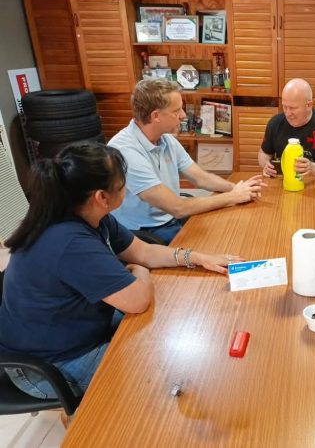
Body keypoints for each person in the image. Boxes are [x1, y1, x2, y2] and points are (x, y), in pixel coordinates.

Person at [0, 142, 243, 399]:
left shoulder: (93, 216)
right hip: (51, 364)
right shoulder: (69, 241)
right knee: (167, 375)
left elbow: (144, 252)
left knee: (171, 321)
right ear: (101, 197)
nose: (126, 189)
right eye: (121, 185)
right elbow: (137, 299)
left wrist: (198, 258)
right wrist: (141, 273)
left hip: (80, 328)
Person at [109, 78, 264, 244]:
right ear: (156, 116)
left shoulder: (166, 139)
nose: (183, 115)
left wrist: (237, 188)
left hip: (170, 219)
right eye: (177, 111)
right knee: (216, 244)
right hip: (144, 232)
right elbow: (178, 207)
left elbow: (201, 178)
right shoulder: (124, 151)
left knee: (229, 228)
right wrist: (232, 197)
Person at [259, 78, 315, 178]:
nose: (287, 113)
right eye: (285, 107)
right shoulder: (275, 123)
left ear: (309, 105)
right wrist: (265, 164)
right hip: (287, 180)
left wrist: (312, 168)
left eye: (293, 108)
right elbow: (263, 153)